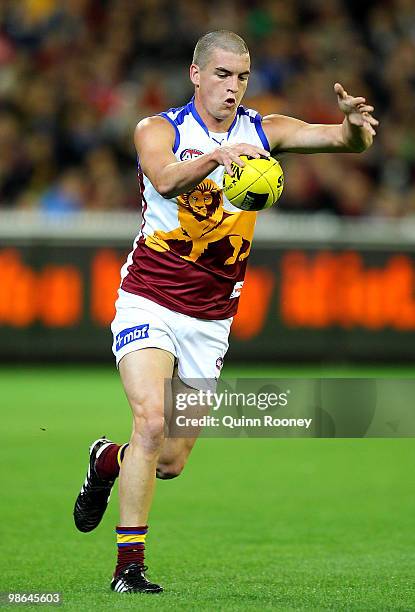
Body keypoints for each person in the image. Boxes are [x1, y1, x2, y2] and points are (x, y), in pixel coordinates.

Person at [73, 30, 378, 594]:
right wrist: (219, 157)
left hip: (210, 321)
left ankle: (105, 463)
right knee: (152, 420)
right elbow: (163, 178)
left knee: (170, 460)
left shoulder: (264, 131)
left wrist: (355, 127)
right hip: (149, 300)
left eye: (241, 76)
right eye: (221, 75)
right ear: (195, 74)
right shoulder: (159, 129)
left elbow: (341, 141)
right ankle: (128, 569)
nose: (233, 87)